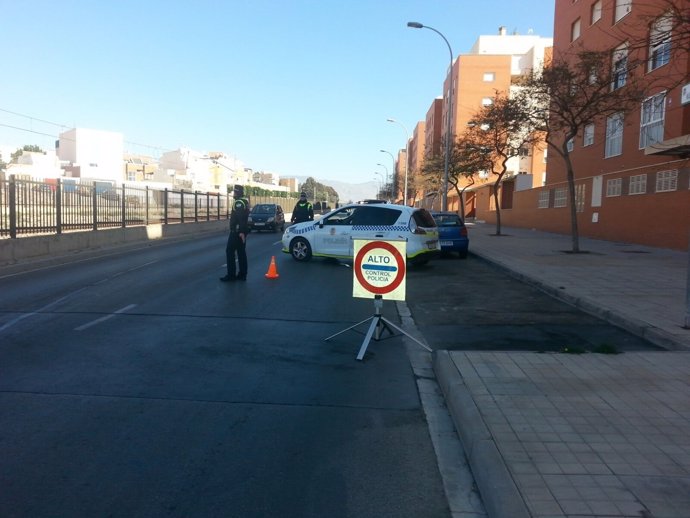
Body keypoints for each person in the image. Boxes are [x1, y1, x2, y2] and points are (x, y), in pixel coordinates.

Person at [220, 185, 250, 282]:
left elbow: (241, 218)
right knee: (241, 253)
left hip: (237, 232)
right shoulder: (245, 201)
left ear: (237, 192)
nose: (233, 193)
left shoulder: (238, 203)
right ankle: (242, 274)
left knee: (230, 251)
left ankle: (231, 275)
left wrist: (241, 232)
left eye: (234, 192)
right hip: (241, 231)